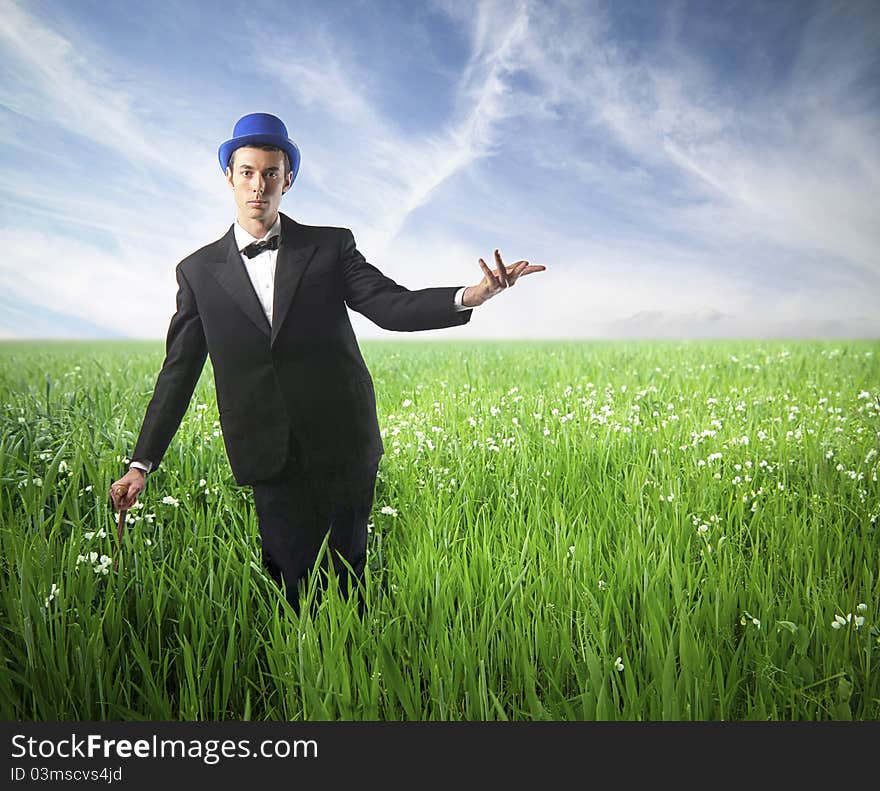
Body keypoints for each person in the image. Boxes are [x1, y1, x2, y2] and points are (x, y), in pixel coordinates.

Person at [108, 112, 545, 614]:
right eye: (247, 172)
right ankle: (302, 677)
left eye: (270, 173)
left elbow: (389, 305)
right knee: (288, 584)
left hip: (342, 438)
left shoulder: (330, 245)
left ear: (287, 179)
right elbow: (178, 372)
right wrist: (141, 464)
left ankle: (356, 675)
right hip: (264, 447)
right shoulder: (198, 272)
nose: (258, 186)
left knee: (348, 579)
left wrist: (473, 294)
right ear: (228, 176)